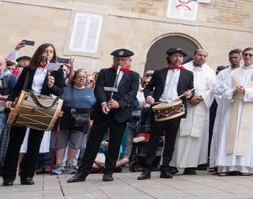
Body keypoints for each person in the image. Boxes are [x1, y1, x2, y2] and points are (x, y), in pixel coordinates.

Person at [68, 49, 140, 182]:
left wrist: (119, 103)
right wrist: (103, 102)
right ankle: (82, 172)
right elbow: (99, 88)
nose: (120, 62)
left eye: (123, 60)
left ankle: (109, 171)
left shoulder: (134, 76)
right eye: (117, 59)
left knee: (115, 143)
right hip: (103, 112)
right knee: (93, 142)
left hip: (120, 114)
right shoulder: (105, 72)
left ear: (129, 61)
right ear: (113, 60)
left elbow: (132, 93)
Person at [1, 43, 66, 186]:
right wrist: (10, 99)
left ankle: (27, 175)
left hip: (43, 106)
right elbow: (18, 87)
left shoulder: (56, 70)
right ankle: (8, 176)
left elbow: (60, 91)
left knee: (35, 142)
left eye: (51, 52)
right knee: (15, 141)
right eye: (46, 51)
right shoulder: (29, 68)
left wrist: (51, 86)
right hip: (25, 103)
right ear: (40, 52)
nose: (48, 54)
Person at [138, 48, 195, 180]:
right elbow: (147, 88)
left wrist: (189, 94)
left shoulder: (188, 74)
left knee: (170, 141)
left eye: (180, 56)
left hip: (175, 110)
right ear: (169, 57)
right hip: (159, 108)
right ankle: (147, 169)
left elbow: (191, 90)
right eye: (175, 56)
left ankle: (165, 168)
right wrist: (148, 97)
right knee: (153, 140)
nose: (178, 58)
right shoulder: (159, 72)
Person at [211, 48, 253, 175]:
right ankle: (226, 166)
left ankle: (244, 167)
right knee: (229, 135)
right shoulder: (234, 73)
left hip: (250, 108)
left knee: (248, 137)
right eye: (245, 54)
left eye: (250, 55)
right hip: (234, 107)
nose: (248, 57)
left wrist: (246, 91)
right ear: (242, 56)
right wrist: (234, 91)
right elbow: (224, 91)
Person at [174, 48, 215, 174]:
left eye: (204, 55)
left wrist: (201, 97)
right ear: (194, 55)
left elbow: (213, 89)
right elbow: (177, 85)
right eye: (199, 55)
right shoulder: (184, 68)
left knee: (196, 137)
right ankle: (173, 165)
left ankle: (190, 166)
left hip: (200, 107)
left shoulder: (210, 71)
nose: (202, 57)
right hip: (184, 105)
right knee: (179, 135)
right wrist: (189, 98)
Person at [56, 69, 94, 177]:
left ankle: (70, 165)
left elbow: (94, 106)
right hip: (66, 117)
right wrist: (59, 111)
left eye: (84, 77)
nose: (81, 79)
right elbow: (58, 102)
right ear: (74, 78)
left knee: (75, 143)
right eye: (79, 77)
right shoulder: (66, 89)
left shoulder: (90, 91)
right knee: (62, 142)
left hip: (82, 118)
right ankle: (58, 165)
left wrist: (91, 118)